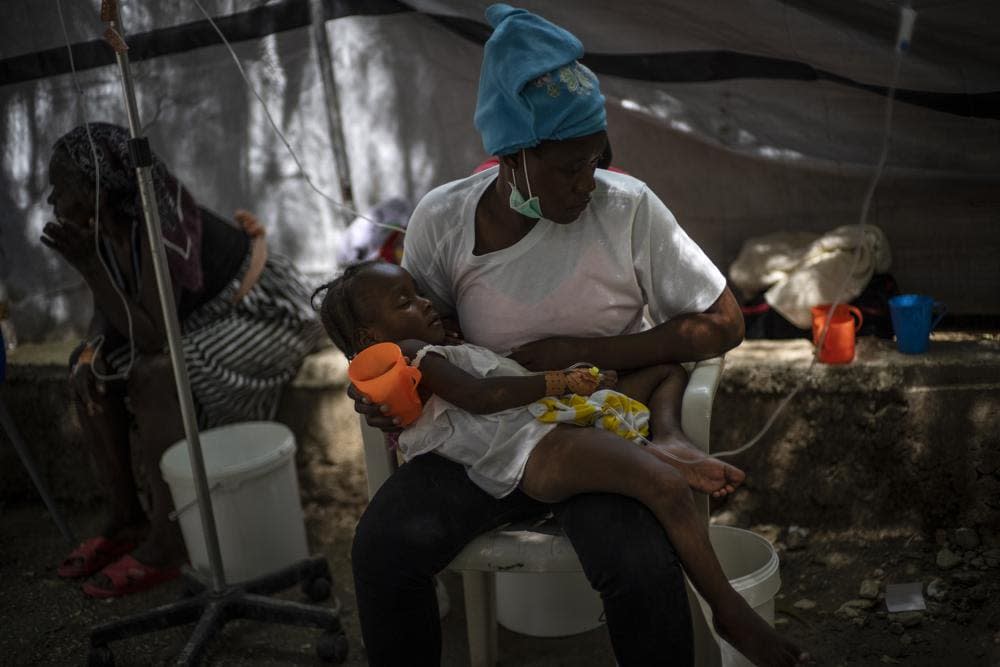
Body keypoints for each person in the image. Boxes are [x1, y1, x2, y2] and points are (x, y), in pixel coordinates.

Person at [349, 5, 810, 666]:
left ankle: (714, 593)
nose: (587, 183)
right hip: (484, 441)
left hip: (589, 424)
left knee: (641, 565)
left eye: (595, 160)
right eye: (568, 168)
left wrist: (584, 354)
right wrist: (378, 391)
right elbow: (415, 345)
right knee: (382, 547)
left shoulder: (626, 209)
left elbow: (724, 323)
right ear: (511, 158)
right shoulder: (443, 221)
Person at [326, 261, 805, 666]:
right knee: (664, 487)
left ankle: (667, 441)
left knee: (664, 374)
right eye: (405, 301)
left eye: (417, 292)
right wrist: (558, 381)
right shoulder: (413, 354)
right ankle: (727, 608)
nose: (426, 302)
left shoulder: (437, 348)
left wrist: (578, 381)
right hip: (532, 447)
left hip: (549, 422)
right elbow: (481, 395)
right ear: (374, 337)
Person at [42, 122, 322, 598]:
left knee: (153, 375)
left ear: (96, 189)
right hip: (187, 322)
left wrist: (89, 267)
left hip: (257, 311)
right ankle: (127, 519)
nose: (52, 201)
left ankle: (169, 543)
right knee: (87, 369)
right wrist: (90, 350)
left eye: (61, 187)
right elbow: (108, 315)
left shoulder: (156, 220)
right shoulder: (103, 226)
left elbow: (153, 338)